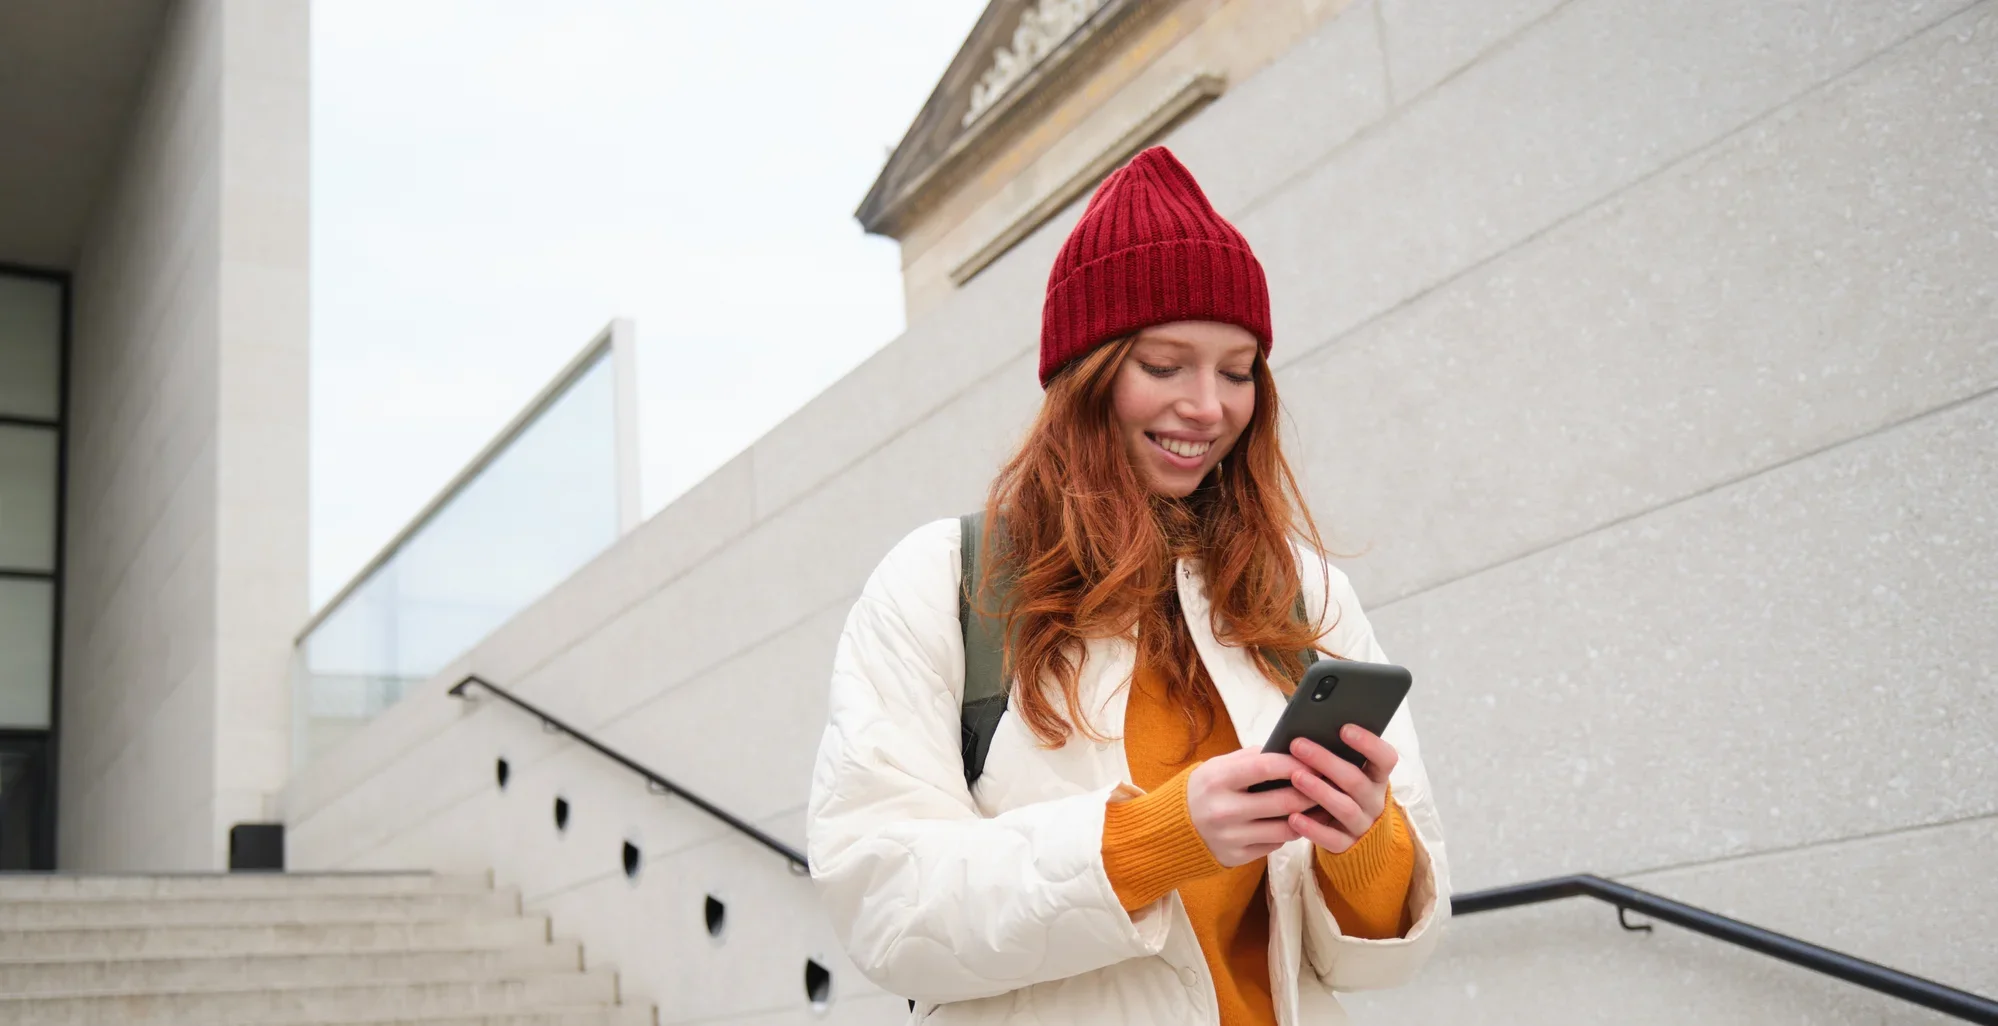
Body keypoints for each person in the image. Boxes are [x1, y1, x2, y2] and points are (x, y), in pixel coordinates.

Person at [807, 146, 1448, 1025]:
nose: (1209, 407)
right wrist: (1155, 842)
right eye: (1163, 365)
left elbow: (1379, 955)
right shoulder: (943, 583)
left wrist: (1364, 837)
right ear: (1087, 376)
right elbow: (884, 906)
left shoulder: (1305, 593)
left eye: (1236, 372)